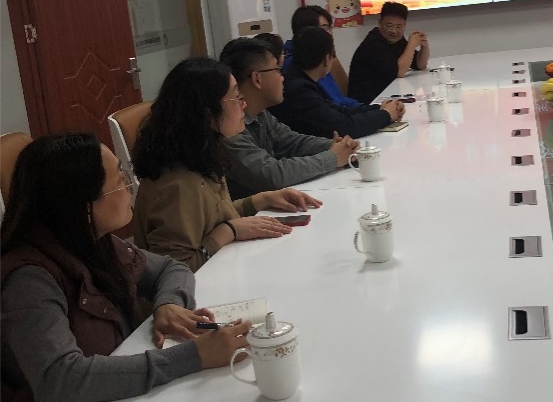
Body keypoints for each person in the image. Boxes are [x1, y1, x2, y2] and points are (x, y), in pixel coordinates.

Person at [1, 132, 251, 402]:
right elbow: (60, 379)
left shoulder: (91, 240)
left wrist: (167, 305)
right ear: (84, 205)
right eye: (119, 180)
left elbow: (171, 269)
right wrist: (194, 356)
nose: (130, 186)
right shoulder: (28, 279)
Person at [131, 57, 322, 272]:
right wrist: (228, 232)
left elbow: (210, 217)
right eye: (237, 97)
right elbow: (176, 269)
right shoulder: (178, 185)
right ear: (206, 113)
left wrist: (260, 200)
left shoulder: (199, 154)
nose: (244, 105)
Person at [219, 37, 360, 199]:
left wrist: (339, 147)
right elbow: (273, 174)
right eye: (277, 70)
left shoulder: (261, 114)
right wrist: (333, 157)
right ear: (257, 79)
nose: (283, 77)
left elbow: (292, 142)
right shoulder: (229, 128)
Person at [271, 27, 404, 139]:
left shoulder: (299, 79)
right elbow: (343, 127)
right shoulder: (298, 89)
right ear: (327, 59)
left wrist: (379, 109)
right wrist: (386, 115)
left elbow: (336, 110)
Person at [348, 1, 430, 104]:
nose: (394, 31)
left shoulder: (397, 40)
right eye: (389, 26)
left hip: (387, 93)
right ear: (380, 23)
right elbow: (399, 72)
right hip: (368, 101)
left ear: (404, 25)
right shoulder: (373, 43)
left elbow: (420, 65)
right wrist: (412, 44)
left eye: (399, 26)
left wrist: (424, 46)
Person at [284, 5, 361, 107]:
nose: (330, 34)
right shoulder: (299, 62)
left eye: (329, 28)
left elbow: (339, 99)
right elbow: (334, 106)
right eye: (324, 28)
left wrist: (371, 109)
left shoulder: (319, 55)